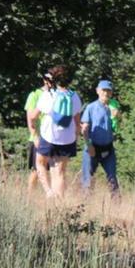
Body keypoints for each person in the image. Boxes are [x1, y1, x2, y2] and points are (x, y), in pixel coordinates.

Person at [29, 65, 82, 199]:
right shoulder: (74, 96)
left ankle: (49, 192)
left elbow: (33, 116)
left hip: (49, 136)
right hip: (67, 139)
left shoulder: (48, 95)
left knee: (40, 163)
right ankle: (59, 206)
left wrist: (35, 132)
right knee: (59, 172)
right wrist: (76, 137)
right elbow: (77, 121)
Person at [80, 80, 120, 197]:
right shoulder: (91, 107)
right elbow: (84, 129)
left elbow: (118, 123)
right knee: (87, 179)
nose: (106, 93)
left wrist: (118, 115)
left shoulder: (113, 106)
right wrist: (89, 145)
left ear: (111, 93)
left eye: (108, 91)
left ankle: (117, 208)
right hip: (92, 149)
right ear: (98, 91)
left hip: (108, 149)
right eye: (103, 90)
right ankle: (85, 207)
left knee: (112, 178)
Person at [24, 73, 52, 191]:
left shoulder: (56, 95)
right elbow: (30, 118)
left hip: (52, 138)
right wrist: (35, 137)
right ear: (44, 80)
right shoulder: (35, 95)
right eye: (48, 79)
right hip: (39, 137)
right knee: (36, 170)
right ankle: (30, 198)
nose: (50, 81)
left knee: (52, 170)